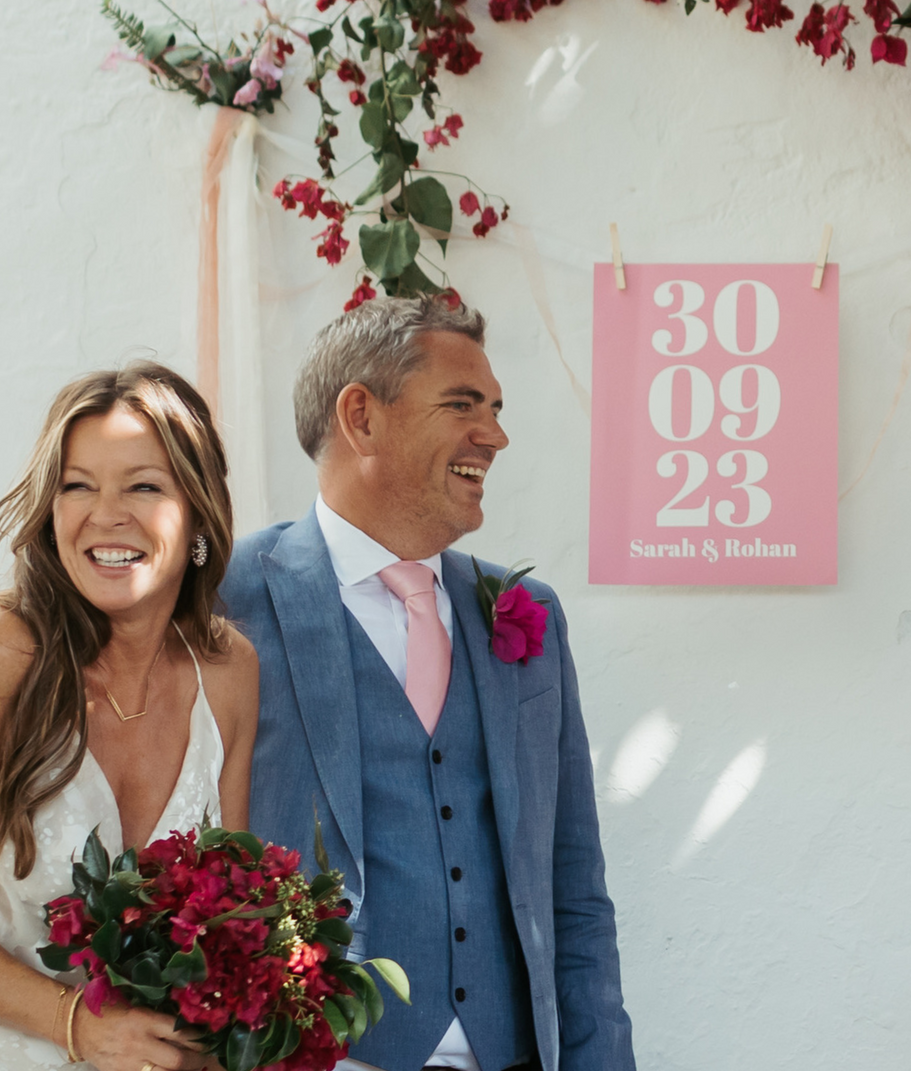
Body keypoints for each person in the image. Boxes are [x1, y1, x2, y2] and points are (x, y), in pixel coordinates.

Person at [221, 297, 636, 1071]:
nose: (496, 434)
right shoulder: (228, 596)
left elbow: (575, 890)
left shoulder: (526, 612)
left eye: (497, 408)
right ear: (362, 416)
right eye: (463, 404)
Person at [0, 362, 258, 1071]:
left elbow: (217, 917)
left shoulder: (227, 671)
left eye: (143, 485)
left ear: (199, 511)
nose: (105, 515)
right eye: (78, 485)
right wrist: (77, 1023)